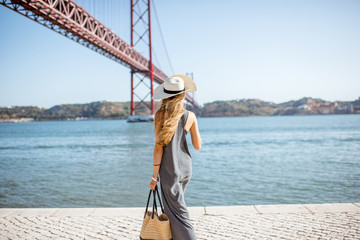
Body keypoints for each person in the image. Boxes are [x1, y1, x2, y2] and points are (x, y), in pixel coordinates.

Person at [149, 74, 202, 240]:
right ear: (183, 94)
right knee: (175, 211)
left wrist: (154, 177)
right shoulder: (190, 116)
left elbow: (158, 148)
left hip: (169, 171)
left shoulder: (160, 116)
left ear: (165, 95)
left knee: (180, 214)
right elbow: (198, 146)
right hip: (186, 169)